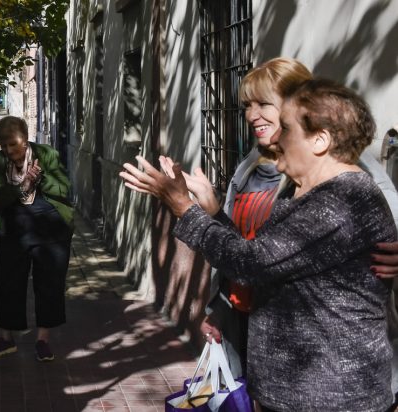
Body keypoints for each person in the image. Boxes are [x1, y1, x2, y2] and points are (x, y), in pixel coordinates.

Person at [121, 79, 395, 411]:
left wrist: (183, 207)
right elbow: (264, 258)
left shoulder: (341, 200)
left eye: (286, 128)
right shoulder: (313, 196)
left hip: (330, 399)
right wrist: (212, 213)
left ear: (320, 140)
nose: (275, 137)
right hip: (298, 396)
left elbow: (252, 263)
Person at [0, 116, 73, 361]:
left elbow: (64, 189)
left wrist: (41, 178)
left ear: (25, 137)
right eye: (3, 146)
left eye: (13, 144)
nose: (9, 151)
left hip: (51, 230)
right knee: (9, 283)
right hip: (12, 231)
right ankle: (6, 339)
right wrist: (22, 186)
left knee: (49, 285)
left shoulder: (47, 154)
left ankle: (43, 340)